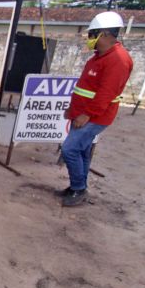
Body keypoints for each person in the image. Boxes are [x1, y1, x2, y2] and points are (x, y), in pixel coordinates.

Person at [58, 11, 133, 207]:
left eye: (93, 34)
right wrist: (73, 110)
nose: (90, 38)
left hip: (94, 117)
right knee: (81, 151)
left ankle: (78, 189)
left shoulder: (118, 59)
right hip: (83, 113)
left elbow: (106, 93)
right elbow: (87, 88)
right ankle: (78, 186)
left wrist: (86, 114)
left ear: (106, 34)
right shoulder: (99, 57)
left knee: (69, 149)